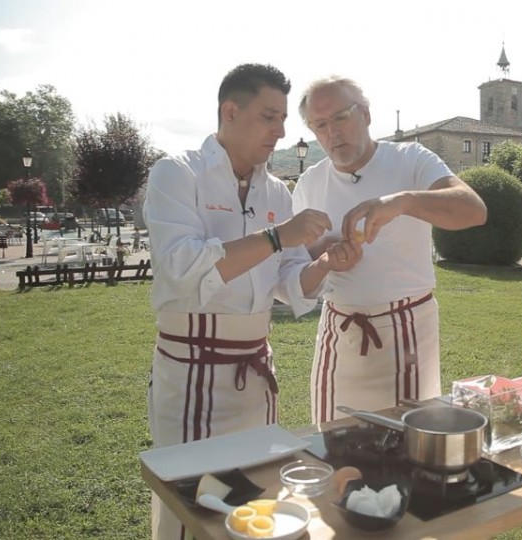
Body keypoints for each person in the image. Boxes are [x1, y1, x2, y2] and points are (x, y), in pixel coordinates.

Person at [142, 64, 361, 540]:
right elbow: (182, 267)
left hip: (255, 367)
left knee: (258, 499)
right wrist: (278, 235)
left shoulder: (276, 190)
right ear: (230, 111)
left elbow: (287, 282)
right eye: (269, 117)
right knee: (190, 506)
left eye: (284, 119)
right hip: (191, 368)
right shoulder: (176, 173)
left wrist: (326, 263)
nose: (282, 132)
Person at [292, 76, 487, 424]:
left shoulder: (410, 159)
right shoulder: (310, 182)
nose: (332, 132)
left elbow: (473, 210)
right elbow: (296, 263)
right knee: (331, 442)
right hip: (338, 329)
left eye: (341, 117)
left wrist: (401, 202)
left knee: (406, 452)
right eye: (319, 125)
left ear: (365, 115)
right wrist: (326, 254)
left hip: (406, 331)